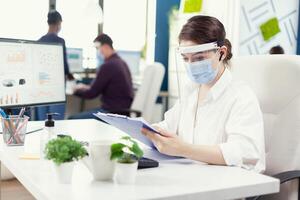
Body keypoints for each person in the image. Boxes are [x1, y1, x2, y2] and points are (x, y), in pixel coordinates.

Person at [142, 15, 265, 172]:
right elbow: (169, 125)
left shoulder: (241, 96)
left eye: (199, 58)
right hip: (193, 178)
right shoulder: (191, 90)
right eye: (186, 59)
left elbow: (244, 153)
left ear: (221, 53)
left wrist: (183, 149)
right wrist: (149, 131)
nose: (191, 65)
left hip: (228, 186)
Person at [68, 34, 134, 119]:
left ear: (106, 46)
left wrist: (74, 90)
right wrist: (86, 87)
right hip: (122, 111)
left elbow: (91, 94)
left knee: (72, 119)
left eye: (98, 48)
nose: (98, 52)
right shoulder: (121, 62)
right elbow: (97, 87)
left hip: (111, 113)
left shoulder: (108, 65)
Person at [35, 10, 73, 120]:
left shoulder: (39, 41)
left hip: (41, 87)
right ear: (59, 23)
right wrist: (70, 76)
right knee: (56, 123)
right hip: (57, 88)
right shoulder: (60, 41)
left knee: (42, 122)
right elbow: (64, 67)